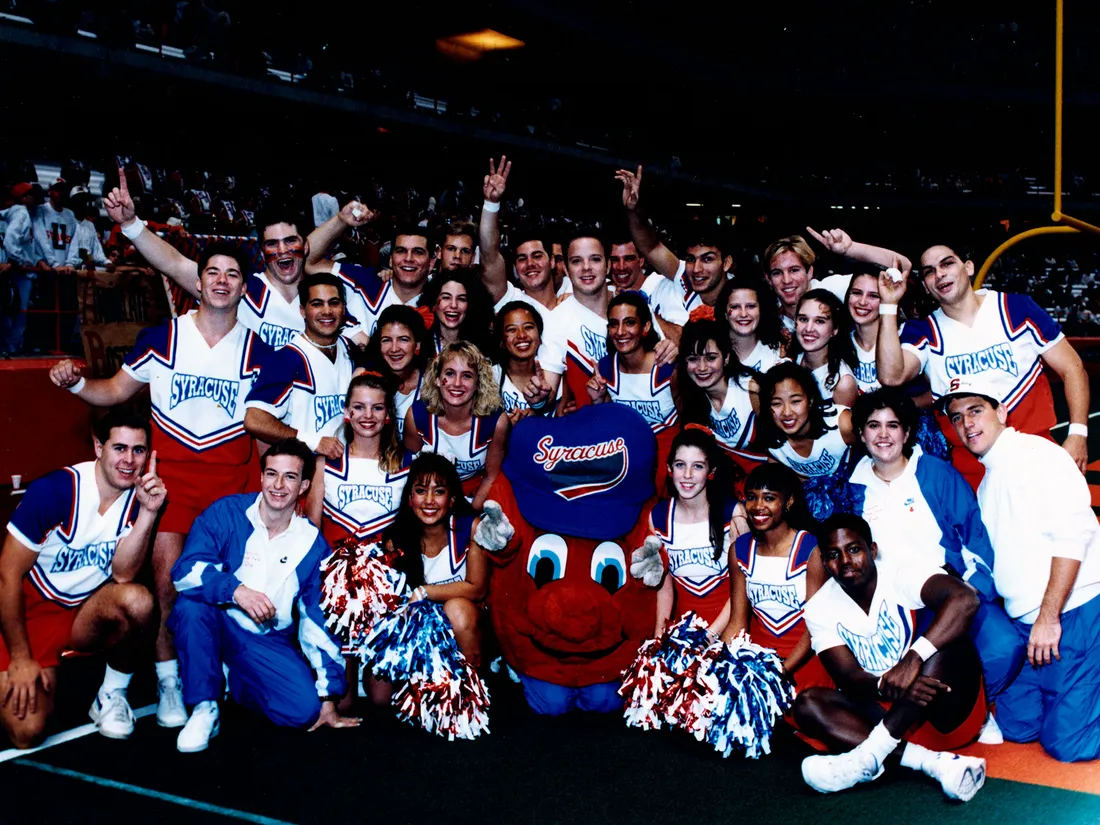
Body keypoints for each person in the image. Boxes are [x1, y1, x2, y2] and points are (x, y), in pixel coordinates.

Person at [49, 241, 270, 730]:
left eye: (232, 274)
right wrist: (75, 384)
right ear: (198, 281)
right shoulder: (163, 336)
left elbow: (260, 430)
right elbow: (111, 392)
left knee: (225, 590)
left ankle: (218, 676)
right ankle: (169, 678)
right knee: (167, 585)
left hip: (229, 483)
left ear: (244, 287)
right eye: (212, 272)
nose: (220, 281)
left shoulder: (259, 352)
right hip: (170, 482)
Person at [944, 377, 1100, 761]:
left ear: (1001, 411)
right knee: (1020, 727)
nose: (967, 425)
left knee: (1068, 745)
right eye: (957, 417)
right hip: (1028, 625)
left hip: (1070, 614)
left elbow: (1072, 535)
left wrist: (1049, 618)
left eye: (976, 411)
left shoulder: (1038, 455)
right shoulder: (988, 480)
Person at [169, 439, 358, 752]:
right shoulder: (226, 512)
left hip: (265, 639)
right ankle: (204, 707)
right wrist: (237, 591)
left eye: (290, 477)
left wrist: (328, 698)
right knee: (191, 605)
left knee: (303, 711)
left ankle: (233, 679)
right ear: (261, 477)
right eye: (271, 474)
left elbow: (318, 621)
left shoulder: (312, 544)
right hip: (218, 619)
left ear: (304, 486)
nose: (278, 485)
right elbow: (185, 571)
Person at [847, 388, 1019, 715]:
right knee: (904, 681)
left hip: (944, 593)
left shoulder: (936, 474)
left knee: (1004, 649)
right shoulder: (851, 488)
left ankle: (975, 707)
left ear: (907, 432)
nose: (883, 435)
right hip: (890, 607)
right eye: (873, 425)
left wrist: (974, 588)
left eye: (893, 425)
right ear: (861, 433)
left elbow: (975, 538)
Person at [0, 410, 164, 747]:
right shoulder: (56, 491)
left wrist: (148, 512)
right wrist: (19, 657)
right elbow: (7, 575)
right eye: (119, 448)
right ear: (98, 446)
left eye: (139, 450)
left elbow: (123, 574)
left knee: (138, 601)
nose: (129, 460)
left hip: (80, 611)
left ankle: (111, 694)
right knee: (26, 732)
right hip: (29, 611)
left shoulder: (141, 496)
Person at [796, 514, 988, 801]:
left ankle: (868, 757)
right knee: (807, 704)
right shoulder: (819, 607)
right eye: (834, 555)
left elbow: (965, 599)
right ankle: (932, 763)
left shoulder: (899, 572)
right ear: (824, 562)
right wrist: (885, 684)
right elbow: (846, 677)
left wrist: (912, 661)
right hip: (887, 716)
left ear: (872, 551)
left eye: (854, 549)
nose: (846, 561)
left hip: (942, 709)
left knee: (945, 647)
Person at [875, 242, 1090, 486]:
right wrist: (888, 304)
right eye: (929, 271)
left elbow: (1072, 368)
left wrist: (1078, 434)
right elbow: (891, 376)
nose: (940, 274)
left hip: (1034, 454)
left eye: (947, 263)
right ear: (925, 285)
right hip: (971, 467)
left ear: (968, 267)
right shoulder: (924, 331)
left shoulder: (1016, 308)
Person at [104, 169, 372, 349]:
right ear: (262, 250)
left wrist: (339, 221)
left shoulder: (321, 302)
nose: (282, 251)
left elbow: (365, 345)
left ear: (304, 244)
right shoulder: (244, 290)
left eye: (291, 241)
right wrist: (130, 225)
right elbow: (174, 264)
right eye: (272, 244)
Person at [529, 231, 675, 417]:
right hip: (598, 432)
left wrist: (672, 350)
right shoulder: (554, 321)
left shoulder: (633, 304)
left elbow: (664, 356)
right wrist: (539, 398)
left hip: (653, 421)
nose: (586, 268)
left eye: (595, 259)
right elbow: (546, 391)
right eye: (576, 261)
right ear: (565, 268)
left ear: (607, 265)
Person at [723, 463, 830, 690]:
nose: (758, 506)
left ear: (788, 502)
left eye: (769, 498)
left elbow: (816, 627)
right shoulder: (739, 550)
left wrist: (779, 672)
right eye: (752, 497)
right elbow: (737, 623)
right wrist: (714, 666)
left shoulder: (811, 548)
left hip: (805, 665)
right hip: (758, 663)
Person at [385, 454, 489, 668]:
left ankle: (469, 692)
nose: (429, 500)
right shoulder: (396, 538)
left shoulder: (470, 528)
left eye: (439, 491)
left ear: (452, 499)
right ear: (410, 498)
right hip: (420, 629)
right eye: (421, 491)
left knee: (457, 609)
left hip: (467, 625)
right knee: (378, 695)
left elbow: (477, 588)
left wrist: (425, 591)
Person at [244, 274, 355, 460]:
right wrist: (311, 441)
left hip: (345, 472)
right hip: (305, 471)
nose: (327, 311)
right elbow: (254, 420)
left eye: (334, 303)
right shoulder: (287, 358)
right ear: (303, 311)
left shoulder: (351, 350)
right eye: (317, 304)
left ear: (343, 308)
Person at [650, 427, 745, 635]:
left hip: (731, 630)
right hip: (683, 631)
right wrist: (659, 635)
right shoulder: (658, 517)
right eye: (680, 465)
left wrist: (710, 637)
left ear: (711, 472)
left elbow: (744, 588)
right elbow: (664, 585)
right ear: (669, 469)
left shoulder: (734, 514)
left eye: (698, 466)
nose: (687, 475)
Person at [305, 372, 412, 546]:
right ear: (347, 412)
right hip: (333, 568)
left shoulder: (406, 464)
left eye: (377, 408)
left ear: (387, 415)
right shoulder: (326, 463)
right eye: (359, 407)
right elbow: (312, 531)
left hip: (388, 569)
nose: (368, 415)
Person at [587, 293, 679, 491]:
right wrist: (598, 401)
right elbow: (606, 429)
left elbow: (689, 423)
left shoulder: (667, 365)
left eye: (629, 323)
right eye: (613, 324)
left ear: (645, 327)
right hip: (628, 464)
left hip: (670, 466)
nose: (620, 332)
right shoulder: (604, 368)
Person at [404, 341, 509, 511]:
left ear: (478, 382)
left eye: (467, 375)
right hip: (429, 499)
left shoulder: (496, 421)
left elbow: (491, 476)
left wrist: (468, 518)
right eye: (450, 373)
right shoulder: (417, 416)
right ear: (437, 379)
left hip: (475, 497)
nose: (457, 383)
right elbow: (411, 473)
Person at [616, 165, 732, 313]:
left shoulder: (741, 301)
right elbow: (650, 247)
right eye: (690, 259)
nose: (697, 269)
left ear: (726, 263)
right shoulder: (684, 275)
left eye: (707, 259)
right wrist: (633, 211)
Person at [310, 220, 433, 342]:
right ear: (390, 259)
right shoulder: (365, 281)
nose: (408, 258)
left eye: (418, 252)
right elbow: (310, 263)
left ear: (431, 263)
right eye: (401, 251)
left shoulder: (443, 302)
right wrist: (341, 220)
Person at [676, 317, 766, 483]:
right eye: (693, 359)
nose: (702, 368)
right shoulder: (688, 398)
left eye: (711, 358)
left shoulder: (751, 390)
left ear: (726, 358)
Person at [755, 361, 856, 480]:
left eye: (796, 401)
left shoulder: (842, 424)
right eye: (776, 404)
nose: (787, 412)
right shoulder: (770, 440)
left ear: (811, 400)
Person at [358, 304, 431, 438]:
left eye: (403, 339)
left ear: (417, 345)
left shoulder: (431, 380)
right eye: (386, 340)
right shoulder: (366, 379)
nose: (394, 349)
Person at [790, 288, 858, 407]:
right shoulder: (789, 358)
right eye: (803, 319)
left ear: (835, 329)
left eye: (819, 321)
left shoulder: (842, 383)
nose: (809, 328)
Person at [2, 183, 48, 354]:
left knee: (14, 312)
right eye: (30, 195)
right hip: (20, 273)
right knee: (18, 313)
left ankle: (11, 347)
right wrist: (20, 261)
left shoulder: (19, 213)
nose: (33, 198)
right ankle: (12, 349)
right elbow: (9, 241)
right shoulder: (20, 213)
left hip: (19, 272)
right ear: (22, 197)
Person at [419, 267, 497, 357]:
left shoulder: (484, 347)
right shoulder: (420, 344)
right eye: (446, 297)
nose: (454, 305)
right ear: (433, 304)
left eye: (461, 299)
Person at [716, 275, 786, 373]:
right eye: (735, 307)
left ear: (761, 311)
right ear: (725, 313)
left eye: (751, 306)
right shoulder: (712, 353)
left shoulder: (778, 354)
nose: (743, 314)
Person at [493, 301, 550, 420]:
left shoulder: (555, 375)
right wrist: (506, 429)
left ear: (540, 337)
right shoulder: (490, 377)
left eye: (528, 327)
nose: (522, 335)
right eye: (512, 330)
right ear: (501, 341)